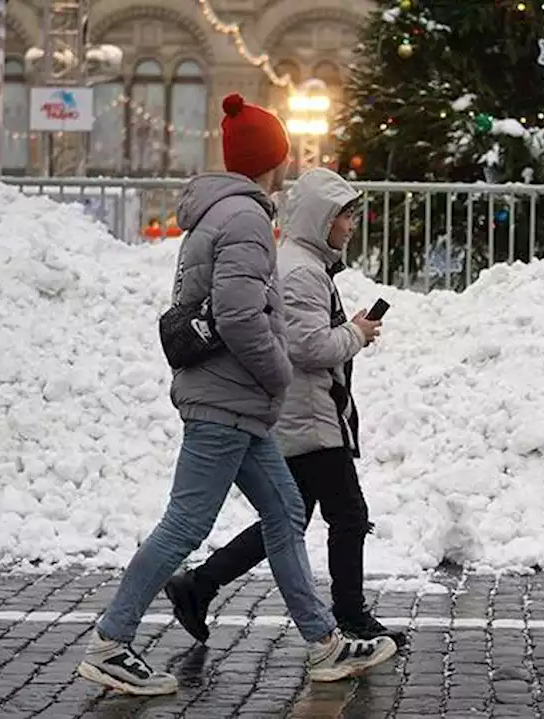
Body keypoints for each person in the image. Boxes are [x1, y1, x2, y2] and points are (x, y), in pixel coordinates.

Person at [75, 94, 396, 696]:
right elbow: (242, 316)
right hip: (228, 401)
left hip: (235, 405)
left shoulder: (217, 214)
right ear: (271, 160)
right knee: (186, 525)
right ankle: (110, 641)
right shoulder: (245, 218)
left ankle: (324, 644)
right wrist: (277, 374)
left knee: (284, 513)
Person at [162, 168, 406, 648]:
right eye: (344, 216)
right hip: (308, 418)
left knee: (288, 519)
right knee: (349, 516)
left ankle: (198, 585)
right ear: (321, 218)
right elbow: (306, 346)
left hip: (306, 415)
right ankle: (351, 617)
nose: (351, 225)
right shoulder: (301, 270)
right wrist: (356, 333)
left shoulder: (303, 264)